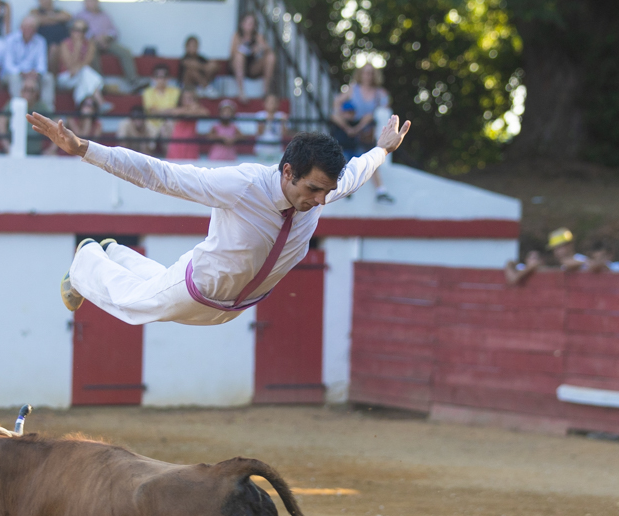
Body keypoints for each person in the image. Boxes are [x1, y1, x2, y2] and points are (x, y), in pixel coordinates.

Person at [29, 110, 410, 324]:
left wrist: (381, 149)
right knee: (133, 307)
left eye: (327, 191)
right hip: (196, 288)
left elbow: (358, 171)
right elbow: (163, 175)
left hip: (230, 308)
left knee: (151, 285)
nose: (321, 200)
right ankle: (86, 262)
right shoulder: (244, 185)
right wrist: (83, 148)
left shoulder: (324, 188)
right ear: (288, 172)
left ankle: (114, 252)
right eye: (313, 190)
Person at [330, 64, 393, 203]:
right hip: (350, 133)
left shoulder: (379, 93)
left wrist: (358, 128)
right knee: (347, 160)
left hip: (366, 133)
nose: (368, 76)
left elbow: (384, 110)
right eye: (365, 73)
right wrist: (344, 117)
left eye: (370, 73)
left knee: (371, 161)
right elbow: (336, 104)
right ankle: (345, 189)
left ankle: (380, 190)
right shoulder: (353, 90)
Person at [73, 0, 136, 89]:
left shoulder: (105, 15)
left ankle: (133, 80)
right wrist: (95, 38)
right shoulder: (80, 15)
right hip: (90, 43)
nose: (91, 3)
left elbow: (114, 31)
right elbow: (79, 33)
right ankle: (100, 83)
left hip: (107, 42)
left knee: (125, 52)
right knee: (91, 52)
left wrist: (107, 38)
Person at [1, 15, 52, 110]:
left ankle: (48, 111)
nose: (29, 30)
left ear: (36, 29)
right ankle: (19, 109)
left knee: (48, 78)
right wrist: (22, 73)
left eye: (32, 27)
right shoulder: (10, 40)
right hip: (14, 74)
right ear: (21, 27)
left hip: (33, 75)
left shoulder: (41, 41)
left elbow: (42, 64)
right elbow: (8, 65)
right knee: (14, 78)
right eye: (26, 27)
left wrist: (36, 73)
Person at [0, 74, 49, 155]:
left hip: (36, 154)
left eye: (31, 90)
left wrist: (50, 150)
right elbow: (0, 122)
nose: (27, 93)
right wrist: (7, 147)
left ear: (36, 93)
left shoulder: (42, 107)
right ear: (21, 91)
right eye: (25, 90)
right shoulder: (12, 104)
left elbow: (57, 124)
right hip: (14, 152)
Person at [57, 18, 102, 108]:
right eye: (76, 30)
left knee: (84, 76)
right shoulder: (65, 44)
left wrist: (77, 69)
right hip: (66, 77)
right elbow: (69, 65)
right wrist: (77, 48)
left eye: (82, 30)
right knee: (85, 74)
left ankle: (82, 107)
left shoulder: (90, 44)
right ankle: (99, 100)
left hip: (80, 75)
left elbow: (87, 63)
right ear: (71, 31)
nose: (79, 33)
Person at [229, 14, 273, 100]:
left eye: (252, 23)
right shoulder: (237, 35)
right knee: (239, 56)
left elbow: (268, 49)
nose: (250, 25)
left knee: (270, 57)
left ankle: (265, 91)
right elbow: (232, 53)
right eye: (247, 22)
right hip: (237, 66)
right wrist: (242, 49)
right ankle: (241, 91)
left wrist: (260, 48)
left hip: (251, 67)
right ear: (242, 24)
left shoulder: (257, 36)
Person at [163, 87, 204, 161]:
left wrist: (191, 110)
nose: (188, 100)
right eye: (185, 98)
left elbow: (205, 113)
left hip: (191, 144)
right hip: (177, 143)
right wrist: (190, 110)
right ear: (181, 99)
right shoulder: (178, 109)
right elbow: (172, 112)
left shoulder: (198, 110)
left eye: (190, 98)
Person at [28, 0, 68, 73]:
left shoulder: (60, 11)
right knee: (53, 49)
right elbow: (36, 19)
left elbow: (67, 17)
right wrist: (55, 19)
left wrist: (47, 19)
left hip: (61, 44)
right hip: (41, 45)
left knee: (56, 49)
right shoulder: (35, 11)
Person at [140, 62, 176, 130]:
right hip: (151, 125)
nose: (161, 80)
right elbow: (152, 111)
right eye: (158, 77)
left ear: (169, 78)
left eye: (164, 77)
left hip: (170, 124)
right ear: (153, 78)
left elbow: (180, 109)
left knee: (169, 124)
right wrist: (169, 111)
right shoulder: (148, 92)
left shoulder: (176, 92)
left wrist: (159, 111)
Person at [253, 92, 287, 160]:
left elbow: (284, 133)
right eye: (269, 102)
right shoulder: (260, 115)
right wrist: (266, 120)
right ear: (264, 103)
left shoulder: (281, 115)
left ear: (277, 104)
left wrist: (283, 122)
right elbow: (259, 132)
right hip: (261, 150)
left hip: (276, 150)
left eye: (274, 102)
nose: (271, 104)